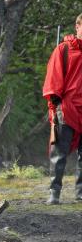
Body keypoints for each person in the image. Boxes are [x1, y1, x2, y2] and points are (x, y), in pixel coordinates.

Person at [41, 13, 82, 204]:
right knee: (59, 153)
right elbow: (53, 82)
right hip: (66, 108)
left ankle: (80, 193)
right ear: (77, 26)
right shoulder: (63, 50)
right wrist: (55, 108)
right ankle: (54, 193)